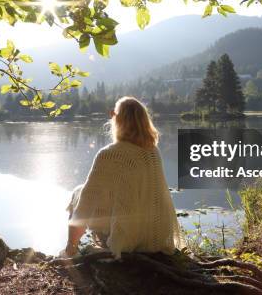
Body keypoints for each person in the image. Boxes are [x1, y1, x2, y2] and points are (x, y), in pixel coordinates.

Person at [62, 96, 183, 258]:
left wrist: (70, 246)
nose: (111, 117)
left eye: (113, 114)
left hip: (127, 242)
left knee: (79, 193)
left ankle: (71, 250)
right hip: (156, 238)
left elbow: (85, 206)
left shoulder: (110, 154)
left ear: (119, 120)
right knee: (91, 192)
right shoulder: (153, 152)